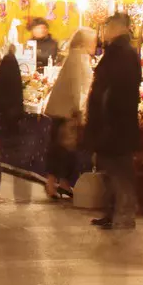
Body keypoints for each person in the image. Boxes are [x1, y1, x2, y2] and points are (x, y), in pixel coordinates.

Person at [84, 13, 142, 231]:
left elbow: (115, 91)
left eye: (107, 28)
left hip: (116, 123)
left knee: (121, 172)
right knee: (110, 171)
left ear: (118, 29)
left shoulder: (122, 54)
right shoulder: (117, 52)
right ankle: (111, 212)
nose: (104, 32)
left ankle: (124, 215)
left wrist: (105, 118)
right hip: (112, 122)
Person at [43, 27, 96, 199]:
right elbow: (76, 87)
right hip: (67, 111)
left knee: (63, 149)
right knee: (63, 149)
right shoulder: (78, 58)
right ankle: (53, 183)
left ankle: (61, 183)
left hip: (64, 109)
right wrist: (78, 110)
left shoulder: (76, 57)